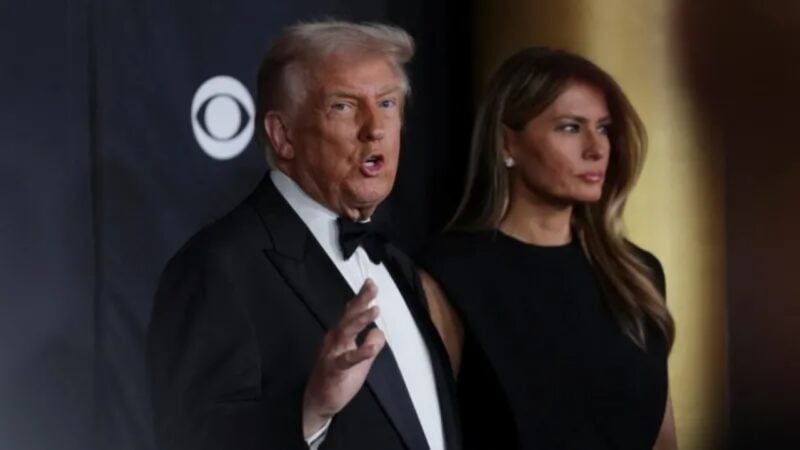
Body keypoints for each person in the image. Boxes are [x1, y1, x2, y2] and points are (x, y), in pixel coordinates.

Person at [147, 21, 460, 450]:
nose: (375, 127)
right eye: (343, 106)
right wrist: (311, 409)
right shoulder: (218, 267)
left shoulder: (397, 265)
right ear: (283, 135)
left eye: (387, 103)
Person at [420, 47, 677, 449]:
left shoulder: (638, 274)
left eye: (604, 128)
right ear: (507, 143)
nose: (596, 148)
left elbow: (663, 439)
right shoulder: (450, 274)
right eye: (571, 128)